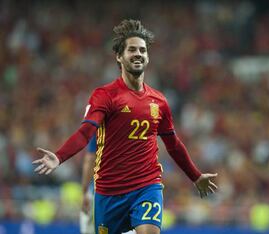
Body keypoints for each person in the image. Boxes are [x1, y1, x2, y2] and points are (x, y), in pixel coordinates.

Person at [33, 19, 218, 234]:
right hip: (109, 192)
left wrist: (195, 176)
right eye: (132, 50)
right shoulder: (104, 96)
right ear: (119, 57)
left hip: (146, 186)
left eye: (142, 50)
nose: (138, 54)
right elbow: (86, 133)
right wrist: (59, 156)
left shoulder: (159, 101)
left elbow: (173, 144)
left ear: (148, 57)